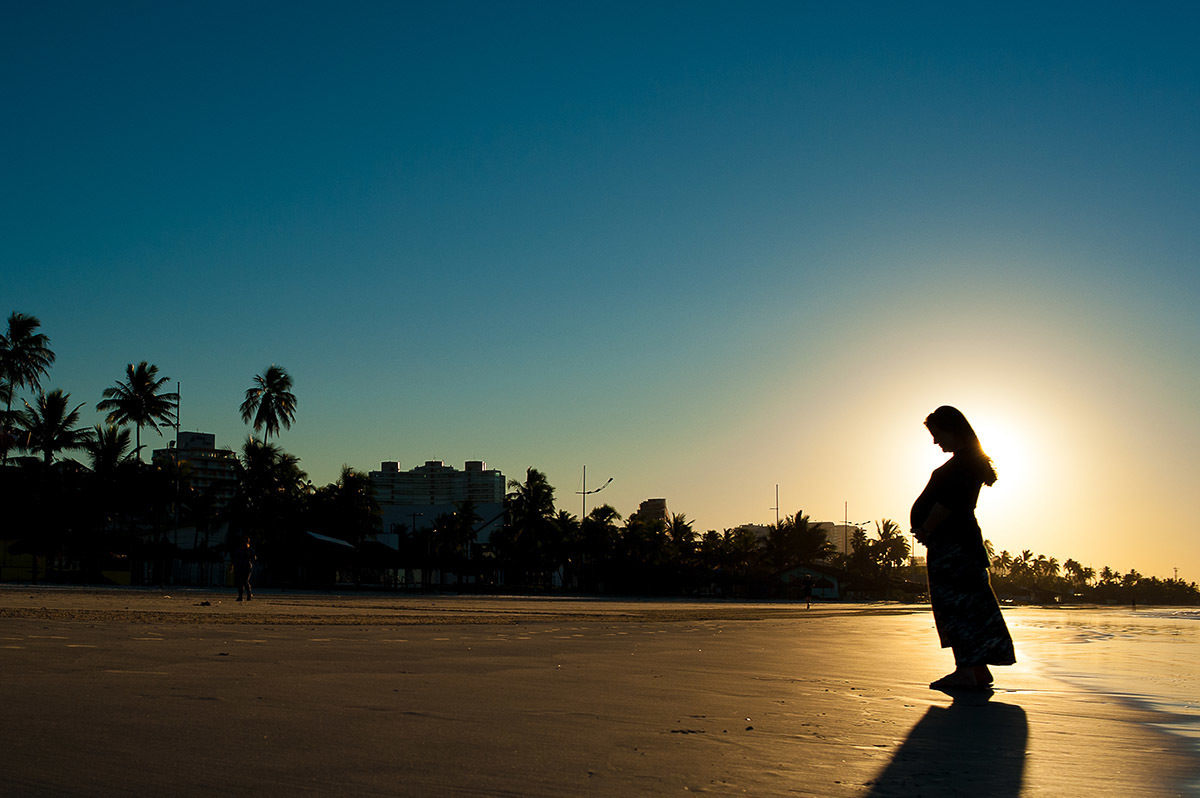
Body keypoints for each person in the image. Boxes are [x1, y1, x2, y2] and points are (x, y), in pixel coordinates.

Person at [911, 405, 1015, 690]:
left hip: (954, 547)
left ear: (953, 430)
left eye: (937, 434)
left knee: (957, 607)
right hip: (956, 544)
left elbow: (950, 504)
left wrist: (927, 528)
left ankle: (968, 670)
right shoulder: (966, 460)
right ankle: (975, 669)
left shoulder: (964, 464)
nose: (935, 441)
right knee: (967, 606)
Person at [232, 536, 256, 602]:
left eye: (244, 541)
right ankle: (240, 596)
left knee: (245, 581)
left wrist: (249, 556)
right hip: (239, 567)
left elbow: (254, 558)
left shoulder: (250, 550)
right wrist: (233, 566)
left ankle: (248, 595)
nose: (243, 543)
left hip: (247, 567)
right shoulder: (239, 550)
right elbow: (235, 559)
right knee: (240, 582)